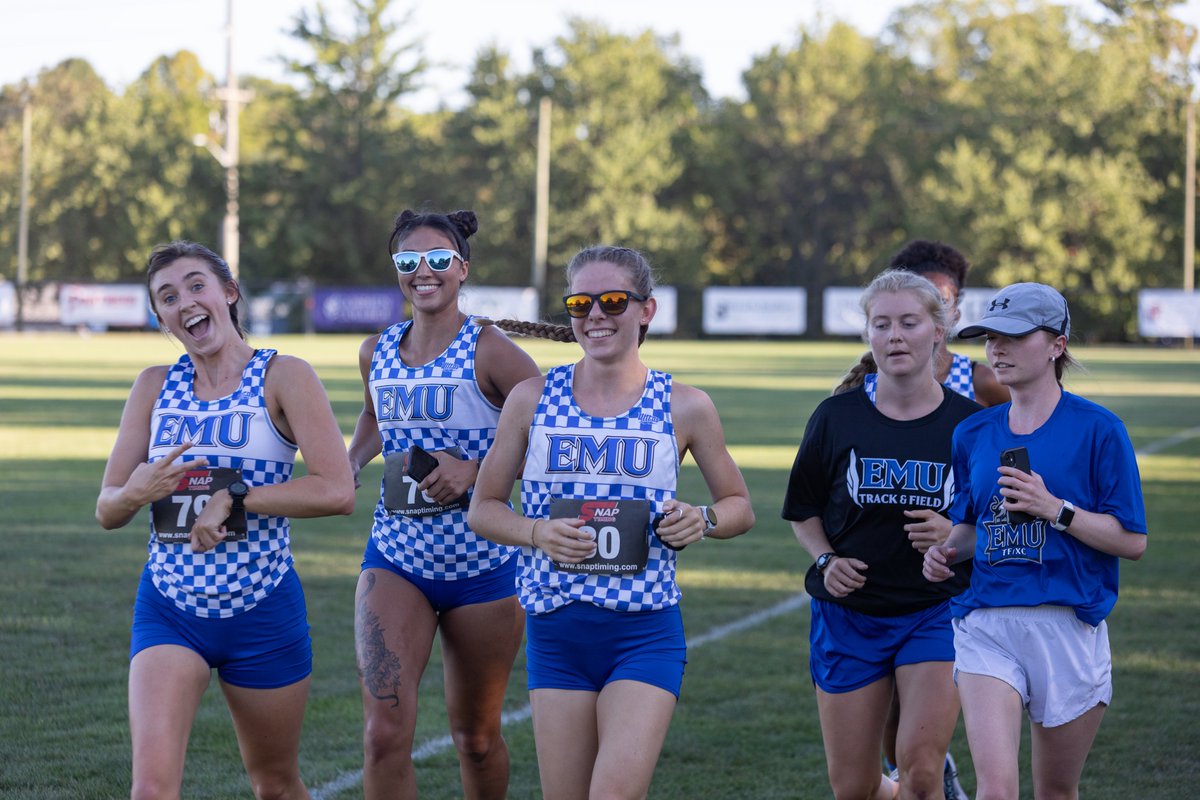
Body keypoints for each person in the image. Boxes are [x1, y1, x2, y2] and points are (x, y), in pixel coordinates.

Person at [467, 245, 755, 799]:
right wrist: (536, 532)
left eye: (613, 301)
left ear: (646, 311)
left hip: (643, 633)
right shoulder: (531, 399)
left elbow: (739, 505)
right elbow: (485, 508)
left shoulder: (685, 405)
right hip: (557, 634)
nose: (595, 315)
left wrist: (703, 518)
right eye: (580, 303)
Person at [96, 241, 356, 800]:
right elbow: (107, 508)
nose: (185, 301)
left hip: (262, 611)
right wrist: (134, 492)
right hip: (171, 608)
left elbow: (336, 491)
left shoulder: (285, 376)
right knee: (150, 789)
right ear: (162, 318)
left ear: (228, 293)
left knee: (276, 785)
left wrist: (235, 496)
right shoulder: (151, 387)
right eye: (168, 296)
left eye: (196, 285)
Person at [923, 283, 1147, 799]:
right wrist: (947, 550)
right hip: (986, 623)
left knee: (1055, 791)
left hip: (1068, 625)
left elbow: (1132, 541)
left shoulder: (1100, 430)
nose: (996, 349)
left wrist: (1056, 510)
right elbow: (968, 526)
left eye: (1014, 336)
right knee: (997, 790)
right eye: (989, 338)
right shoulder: (972, 433)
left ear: (1057, 344)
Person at [348, 209, 541, 799]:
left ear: (461, 269)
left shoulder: (490, 350)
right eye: (408, 262)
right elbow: (376, 414)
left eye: (437, 260)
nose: (422, 272)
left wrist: (477, 470)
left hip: (485, 568)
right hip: (396, 559)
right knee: (383, 735)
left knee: (476, 739)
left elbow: (552, 431)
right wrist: (350, 460)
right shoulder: (375, 349)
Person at [783, 269, 982, 800]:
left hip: (937, 610)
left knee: (921, 772)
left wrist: (955, 533)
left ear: (937, 331)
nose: (895, 336)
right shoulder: (835, 417)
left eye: (909, 323)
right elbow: (802, 510)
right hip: (849, 617)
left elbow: (1002, 521)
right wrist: (826, 561)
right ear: (868, 335)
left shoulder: (973, 424)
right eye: (882, 324)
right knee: (854, 787)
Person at [846, 239, 1007, 800]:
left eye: (947, 298)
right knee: (885, 741)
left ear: (949, 311)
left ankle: (933, 774)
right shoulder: (857, 392)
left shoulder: (981, 385)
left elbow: (1015, 485)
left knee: (919, 751)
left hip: (946, 592)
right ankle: (934, 777)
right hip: (870, 593)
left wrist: (960, 534)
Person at [837, 239, 1009, 409]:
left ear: (956, 313)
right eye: (920, 294)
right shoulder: (860, 393)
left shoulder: (981, 382)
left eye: (941, 299)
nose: (932, 307)